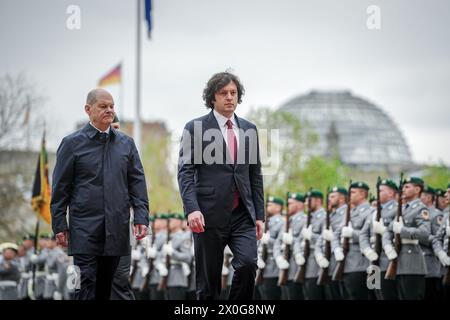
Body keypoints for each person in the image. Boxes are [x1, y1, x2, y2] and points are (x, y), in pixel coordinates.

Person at [50, 88, 150, 300]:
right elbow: (60, 188)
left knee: (108, 287)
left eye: (112, 106)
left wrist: (141, 217)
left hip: (117, 227)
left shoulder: (126, 144)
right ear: (88, 110)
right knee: (85, 286)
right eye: (103, 106)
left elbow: (137, 183)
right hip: (84, 229)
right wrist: (59, 224)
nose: (109, 110)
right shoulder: (71, 144)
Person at [177, 72, 264, 300]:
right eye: (223, 93)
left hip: (242, 214)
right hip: (207, 215)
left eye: (233, 93)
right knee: (208, 285)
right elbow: (185, 172)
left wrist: (259, 215)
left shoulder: (249, 129)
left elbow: (255, 175)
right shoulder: (194, 128)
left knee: (247, 265)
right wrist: (192, 209)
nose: (229, 98)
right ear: (212, 97)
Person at [382, 177, 430, 300]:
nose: (403, 190)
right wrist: (387, 246)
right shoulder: (402, 208)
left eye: (407, 187)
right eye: (403, 187)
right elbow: (388, 231)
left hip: (412, 263)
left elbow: (425, 233)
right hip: (397, 262)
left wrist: (402, 231)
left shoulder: (421, 209)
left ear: (417, 189)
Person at [333, 181, 374, 300]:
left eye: (352, 192)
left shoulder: (370, 212)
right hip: (347, 262)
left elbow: (370, 236)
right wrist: (337, 249)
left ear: (362, 194)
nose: (349, 196)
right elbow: (336, 234)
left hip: (363, 263)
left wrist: (352, 234)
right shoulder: (349, 213)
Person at [359, 179, 399, 300]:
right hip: (373, 261)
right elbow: (363, 234)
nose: (377, 193)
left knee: (387, 295)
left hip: (387, 261)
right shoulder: (374, 212)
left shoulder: (397, 209)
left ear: (391, 193)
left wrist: (384, 230)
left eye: (381, 190)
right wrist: (367, 250)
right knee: (374, 295)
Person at [274, 192, 306, 300]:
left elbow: (303, 241)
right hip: (284, 267)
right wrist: (278, 257)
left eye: (291, 204)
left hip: (297, 267)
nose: (287, 206)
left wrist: (293, 242)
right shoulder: (286, 222)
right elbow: (277, 243)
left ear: (300, 205)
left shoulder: (305, 219)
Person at [257, 196, 284, 300]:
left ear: (278, 207)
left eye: (269, 205)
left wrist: (269, 240)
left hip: (273, 266)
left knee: (271, 295)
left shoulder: (281, 222)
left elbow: (280, 242)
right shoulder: (263, 222)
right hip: (260, 265)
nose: (266, 207)